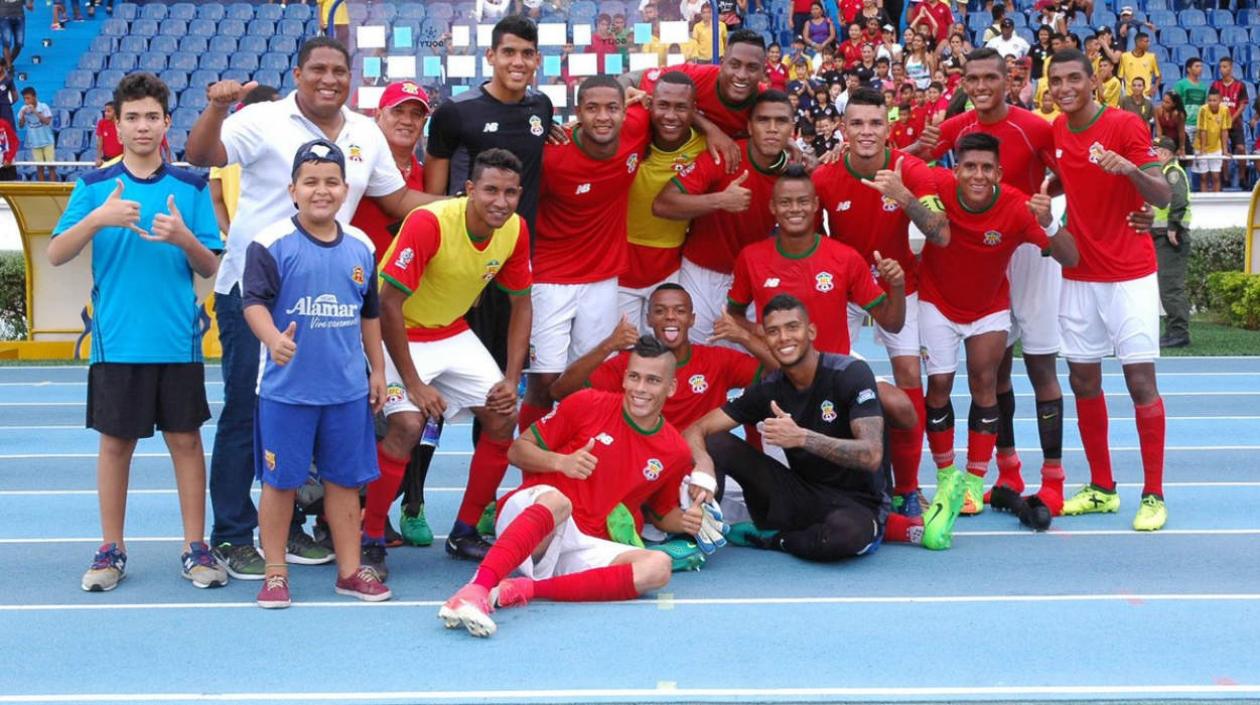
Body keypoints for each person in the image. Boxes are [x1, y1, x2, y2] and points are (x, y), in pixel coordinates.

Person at [185, 36, 441, 580]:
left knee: (316, 411)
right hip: (256, 293)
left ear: (351, 78)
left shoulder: (365, 132)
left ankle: (292, 527)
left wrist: (462, 205)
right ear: (298, 73)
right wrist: (216, 108)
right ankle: (232, 532)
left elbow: (396, 200)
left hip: (328, 298)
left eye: (339, 71)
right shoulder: (262, 119)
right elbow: (201, 156)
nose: (329, 79)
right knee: (247, 410)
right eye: (317, 69)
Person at [47, 72, 225, 593]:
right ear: (117, 125)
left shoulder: (191, 187)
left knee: (186, 441)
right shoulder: (94, 187)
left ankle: (195, 546)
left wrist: (184, 237)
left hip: (177, 340)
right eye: (132, 117)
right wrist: (97, 219)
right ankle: (111, 547)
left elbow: (210, 266)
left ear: (167, 123)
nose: (142, 126)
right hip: (117, 341)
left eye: (152, 117)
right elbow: (56, 253)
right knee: (116, 445)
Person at [438, 336, 698, 638]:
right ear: (625, 378)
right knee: (559, 501)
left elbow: (662, 513)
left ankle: (524, 589)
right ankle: (476, 589)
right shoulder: (588, 403)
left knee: (658, 567)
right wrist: (560, 462)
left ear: (671, 387)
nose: (640, 388)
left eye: (653, 380)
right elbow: (517, 451)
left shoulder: (676, 451)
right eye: (634, 377)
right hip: (533, 515)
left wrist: (691, 519)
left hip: (582, 540)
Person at [906, 47, 1069, 514]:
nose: (980, 87)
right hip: (984, 253)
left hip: (1028, 243)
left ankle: (1053, 478)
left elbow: (1069, 174)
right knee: (994, 370)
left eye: (989, 78)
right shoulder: (958, 128)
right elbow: (908, 160)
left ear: (1008, 80)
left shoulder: (1034, 126)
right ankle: (1006, 467)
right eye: (971, 79)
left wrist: (1041, 201)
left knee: (1040, 364)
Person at [242, 139, 391, 608]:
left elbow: (370, 314)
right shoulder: (270, 243)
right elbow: (252, 303)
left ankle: (349, 572)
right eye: (310, 182)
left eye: (331, 182)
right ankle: (275, 572)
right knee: (280, 483)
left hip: (346, 392)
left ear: (345, 189)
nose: (321, 191)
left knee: (345, 483)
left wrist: (378, 370)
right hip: (287, 392)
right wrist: (273, 339)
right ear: (292, 190)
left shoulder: (362, 246)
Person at [369, 149, 534, 569]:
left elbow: (522, 304)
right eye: (491, 190)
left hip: (449, 330)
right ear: (469, 189)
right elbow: (387, 305)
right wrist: (415, 384)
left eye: (510, 193)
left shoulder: (515, 229)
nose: (501, 202)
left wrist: (511, 378)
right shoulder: (430, 222)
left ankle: (464, 532)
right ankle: (370, 537)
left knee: (503, 415)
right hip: (398, 330)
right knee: (407, 425)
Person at [918, 133, 1078, 538]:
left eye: (987, 168)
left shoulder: (1016, 207)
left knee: (984, 381)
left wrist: (1050, 221)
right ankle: (946, 475)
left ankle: (974, 481)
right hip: (937, 301)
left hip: (988, 308)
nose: (978, 175)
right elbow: (898, 162)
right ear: (956, 169)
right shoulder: (936, 183)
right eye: (970, 166)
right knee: (939, 385)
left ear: (999, 173)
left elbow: (1070, 257)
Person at [1046, 49, 1171, 530]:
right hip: (1079, 275)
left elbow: (1162, 195)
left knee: (1140, 383)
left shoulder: (1124, 125)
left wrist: (1131, 172)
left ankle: (1154, 494)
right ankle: (1102, 488)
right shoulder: (1058, 130)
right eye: (1056, 80)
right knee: (1083, 382)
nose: (1064, 88)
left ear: (1094, 82)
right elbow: (1065, 179)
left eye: (1073, 78)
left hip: (1128, 275)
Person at [811, 87, 948, 517]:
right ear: (843, 129)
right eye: (857, 123)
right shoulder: (825, 177)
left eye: (875, 123)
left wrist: (903, 195)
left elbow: (941, 232)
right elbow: (811, 237)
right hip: (845, 290)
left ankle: (907, 487)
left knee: (909, 377)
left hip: (899, 286)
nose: (866, 131)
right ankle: (832, 480)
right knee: (826, 377)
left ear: (888, 129)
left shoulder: (912, 169)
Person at [684, 295, 892, 561]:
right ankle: (696, 530)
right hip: (800, 494)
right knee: (716, 443)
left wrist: (802, 437)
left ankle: (775, 539)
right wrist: (703, 464)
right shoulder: (769, 388)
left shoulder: (849, 373)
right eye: (773, 331)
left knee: (846, 535)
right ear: (766, 339)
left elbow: (871, 455)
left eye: (792, 327)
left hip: (858, 503)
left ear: (811, 331)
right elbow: (696, 429)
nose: (783, 338)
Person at [518, 76, 651, 439]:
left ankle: (585, 457)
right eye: (592, 108)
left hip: (603, 280)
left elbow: (672, 97)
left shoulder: (638, 127)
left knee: (593, 377)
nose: (603, 117)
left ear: (625, 111)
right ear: (578, 112)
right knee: (544, 382)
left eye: (612, 108)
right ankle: (532, 463)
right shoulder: (552, 157)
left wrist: (636, 89)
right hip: (549, 279)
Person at [651, 90, 795, 345]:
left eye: (781, 121)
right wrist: (720, 200)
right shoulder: (725, 156)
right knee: (693, 357)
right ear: (749, 127)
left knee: (759, 359)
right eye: (763, 120)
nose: (772, 129)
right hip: (701, 275)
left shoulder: (795, 173)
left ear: (792, 129)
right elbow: (662, 204)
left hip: (755, 279)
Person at [619, 71, 707, 332]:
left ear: (694, 110)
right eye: (663, 105)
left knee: (667, 348)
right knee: (623, 348)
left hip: (669, 268)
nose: (670, 115)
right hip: (620, 267)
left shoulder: (705, 147)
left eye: (681, 107)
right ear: (650, 104)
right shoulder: (628, 133)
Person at [350, 80, 430, 258]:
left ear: (423, 123)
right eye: (397, 111)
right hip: (357, 270)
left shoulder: (427, 177)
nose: (407, 121)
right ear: (378, 115)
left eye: (416, 114)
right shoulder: (356, 166)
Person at [207, 85, 281, 239]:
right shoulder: (225, 145)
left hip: (261, 239)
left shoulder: (224, 144)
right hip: (258, 239)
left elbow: (216, 200)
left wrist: (230, 234)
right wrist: (232, 235)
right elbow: (215, 199)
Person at [1150, 136, 1190, 349]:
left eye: (1155, 151)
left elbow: (1179, 200)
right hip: (1163, 236)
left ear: (1165, 153)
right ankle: (1173, 331)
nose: (1152, 155)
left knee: (1171, 287)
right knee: (1167, 287)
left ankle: (1179, 333)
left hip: (1171, 237)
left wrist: (1173, 226)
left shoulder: (1172, 173)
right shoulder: (1164, 173)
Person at [1212, 57, 1248, 188]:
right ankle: (1225, 179)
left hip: (1235, 124)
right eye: (1220, 67)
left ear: (1231, 68)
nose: (1222, 69)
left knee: (1241, 148)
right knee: (1223, 150)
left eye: (1225, 66)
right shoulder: (1215, 85)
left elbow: (1242, 105)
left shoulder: (1240, 85)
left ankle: (1243, 177)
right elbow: (1211, 103)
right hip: (1219, 125)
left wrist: (1231, 119)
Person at [1194, 87, 1229, 193]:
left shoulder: (1225, 110)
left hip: (1216, 147)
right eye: (1209, 100)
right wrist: (1203, 150)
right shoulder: (1203, 110)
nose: (1212, 103)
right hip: (1201, 146)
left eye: (1214, 100)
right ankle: (1204, 200)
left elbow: (1224, 130)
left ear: (1220, 100)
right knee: (1203, 177)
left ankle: (1216, 200)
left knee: (1216, 176)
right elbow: (1203, 131)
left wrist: (1225, 150)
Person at [17, 87, 53, 182]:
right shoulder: (23, 109)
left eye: (28, 98)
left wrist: (35, 111)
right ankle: (42, 188)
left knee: (51, 166)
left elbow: (47, 122)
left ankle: (54, 187)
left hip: (47, 142)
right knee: (39, 168)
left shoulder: (44, 107)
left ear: (34, 97)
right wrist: (23, 115)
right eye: (24, 99)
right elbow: (20, 125)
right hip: (35, 143)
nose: (26, 101)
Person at [1154, 91, 1187, 155]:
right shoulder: (1157, 110)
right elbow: (1158, 130)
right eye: (1163, 101)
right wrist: (1157, 144)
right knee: (1155, 145)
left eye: (1167, 102)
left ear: (1174, 104)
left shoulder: (1179, 115)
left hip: (1178, 141)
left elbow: (1181, 133)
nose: (1163, 104)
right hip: (1164, 139)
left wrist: (1181, 148)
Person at [0, 0, 25, 66]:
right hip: (4, 17)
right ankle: (9, 67)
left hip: (19, 17)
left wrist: (30, 3)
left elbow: (26, 2)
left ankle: (6, 62)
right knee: (6, 43)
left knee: (19, 44)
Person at [0, 111, 16, 181]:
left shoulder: (4, 124)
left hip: (6, 166)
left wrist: (9, 159)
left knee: (10, 188)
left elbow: (15, 142)